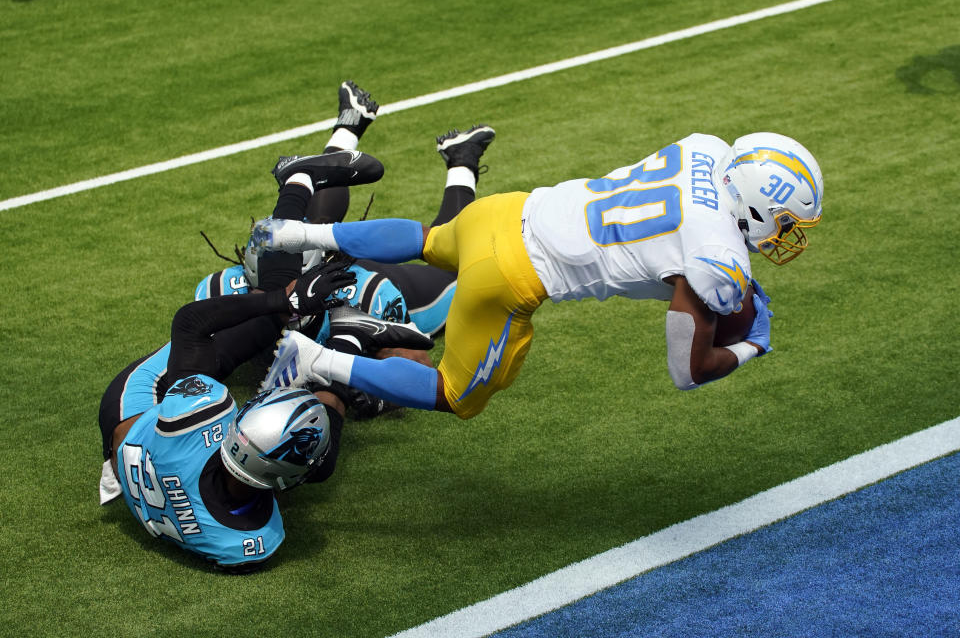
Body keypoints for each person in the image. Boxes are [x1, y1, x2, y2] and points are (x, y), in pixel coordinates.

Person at [251, 132, 823, 419]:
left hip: (507, 212)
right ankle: (314, 360)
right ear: (757, 203)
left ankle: (298, 234)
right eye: (786, 221)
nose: (784, 233)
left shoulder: (706, 149)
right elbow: (686, 370)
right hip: (510, 278)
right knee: (455, 393)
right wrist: (749, 346)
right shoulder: (719, 255)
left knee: (428, 241)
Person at [98, 151, 432, 572]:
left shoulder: (195, 421)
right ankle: (345, 336)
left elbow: (190, 323)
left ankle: (297, 182)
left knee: (275, 315)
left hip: (141, 409)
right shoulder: (256, 539)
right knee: (317, 455)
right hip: (177, 461)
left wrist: (284, 300)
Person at [196, 80, 496, 415]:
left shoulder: (366, 294)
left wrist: (368, 392)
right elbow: (191, 349)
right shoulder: (221, 291)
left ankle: (462, 163)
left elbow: (420, 366)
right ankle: (347, 128)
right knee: (307, 224)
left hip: (367, 280)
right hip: (326, 262)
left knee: (453, 270)